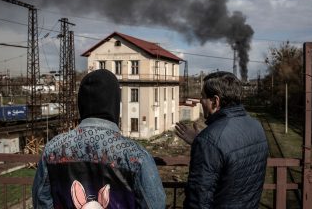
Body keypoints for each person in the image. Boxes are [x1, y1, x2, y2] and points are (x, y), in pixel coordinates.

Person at [32, 69, 166, 208]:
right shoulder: (136, 156)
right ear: (114, 103)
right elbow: (155, 204)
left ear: (81, 103)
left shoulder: (52, 148)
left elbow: (41, 201)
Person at [175, 71, 269, 208]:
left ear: (215, 101)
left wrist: (204, 142)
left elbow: (198, 199)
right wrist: (201, 141)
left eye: (203, 97)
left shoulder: (209, 141)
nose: (200, 101)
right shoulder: (256, 126)